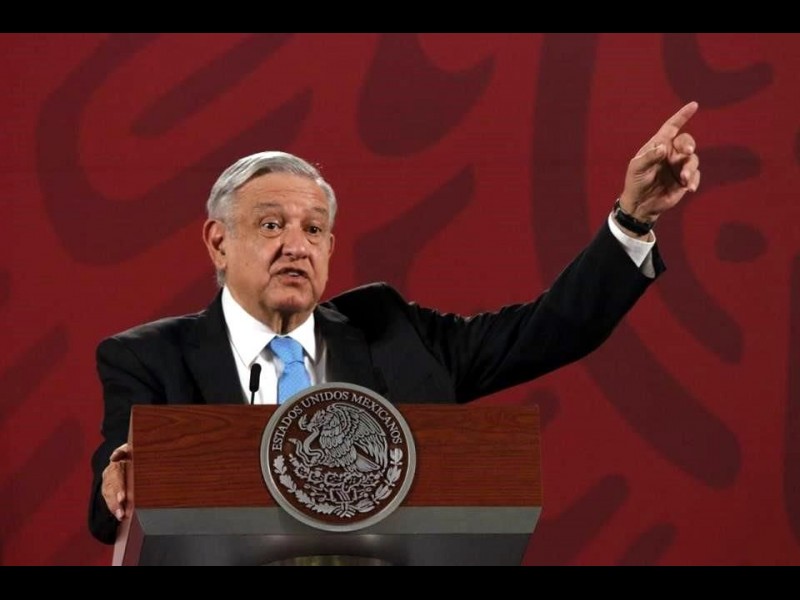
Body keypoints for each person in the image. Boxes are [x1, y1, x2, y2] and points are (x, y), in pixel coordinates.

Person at [88, 101, 701, 545]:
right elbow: (109, 501)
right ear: (218, 242)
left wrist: (633, 219)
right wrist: (123, 478)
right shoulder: (149, 357)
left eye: (313, 229)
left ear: (330, 247)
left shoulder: (389, 331)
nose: (296, 246)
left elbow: (550, 330)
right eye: (271, 225)